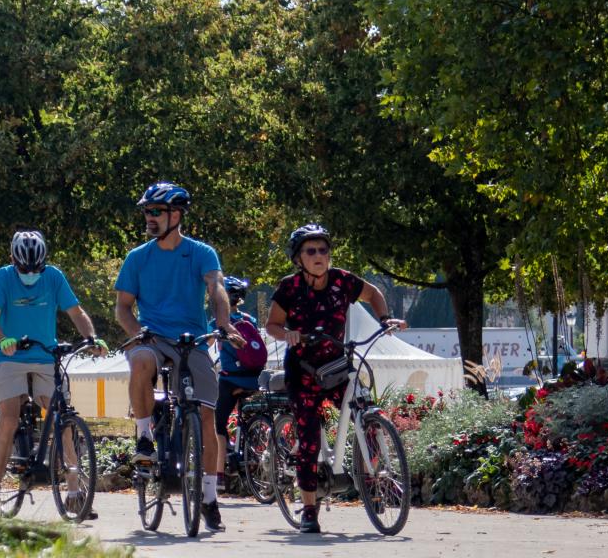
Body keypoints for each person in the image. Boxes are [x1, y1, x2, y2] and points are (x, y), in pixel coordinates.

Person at [115, 181, 247, 533]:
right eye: (147, 211)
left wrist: (222, 323)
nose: (149, 217)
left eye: (155, 212)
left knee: (206, 418)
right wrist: (137, 333)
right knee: (140, 359)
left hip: (193, 340)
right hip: (153, 337)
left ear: (176, 214)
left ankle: (208, 498)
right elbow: (123, 309)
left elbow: (216, 288)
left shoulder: (202, 253)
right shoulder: (137, 258)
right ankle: (145, 437)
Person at [267, 224, 405, 534]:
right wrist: (288, 334)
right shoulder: (289, 288)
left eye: (324, 250)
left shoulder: (343, 281)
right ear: (298, 258)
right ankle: (310, 509)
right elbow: (272, 324)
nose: (319, 256)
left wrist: (385, 320)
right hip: (302, 371)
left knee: (363, 404)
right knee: (310, 439)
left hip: (337, 364)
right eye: (311, 251)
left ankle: (375, 477)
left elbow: (374, 293)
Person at [0, 229, 104, 513]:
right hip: (9, 355)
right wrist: (3, 340)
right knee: (9, 417)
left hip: (45, 356)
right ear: (13, 259)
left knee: (62, 417)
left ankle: (75, 493)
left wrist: (91, 338)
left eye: (37, 268)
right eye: (25, 269)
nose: (31, 274)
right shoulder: (0, 278)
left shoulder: (54, 277)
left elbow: (76, 312)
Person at [214, 275, 266, 478]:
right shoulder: (249, 320)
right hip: (254, 377)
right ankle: (246, 444)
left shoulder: (218, 322)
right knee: (243, 416)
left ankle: (219, 473)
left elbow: (205, 345)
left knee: (218, 424)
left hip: (230, 379)